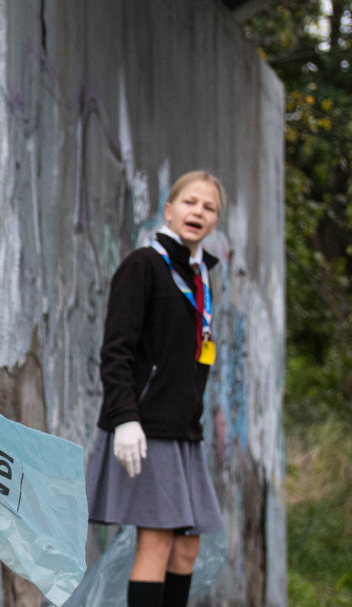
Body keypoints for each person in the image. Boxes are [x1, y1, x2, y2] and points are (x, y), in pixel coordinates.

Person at [87, 170, 227, 607]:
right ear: (169, 210)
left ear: (215, 221)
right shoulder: (143, 266)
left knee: (187, 547)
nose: (198, 212)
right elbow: (116, 351)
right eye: (190, 202)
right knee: (158, 541)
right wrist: (125, 419)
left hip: (183, 429)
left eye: (208, 207)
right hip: (147, 427)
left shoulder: (200, 276)